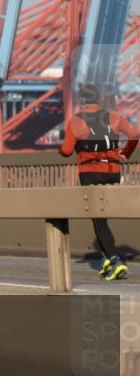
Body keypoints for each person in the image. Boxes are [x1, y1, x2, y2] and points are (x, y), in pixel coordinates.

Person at [59, 84, 139, 281]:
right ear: (98, 99)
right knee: (104, 218)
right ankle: (105, 258)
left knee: (98, 220)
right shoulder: (115, 117)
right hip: (113, 172)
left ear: (81, 101)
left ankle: (115, 259)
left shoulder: (76, 122)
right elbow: (135, 135)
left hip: (90, 173)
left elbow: (67, 151)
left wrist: (65, 149)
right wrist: (126, 152)